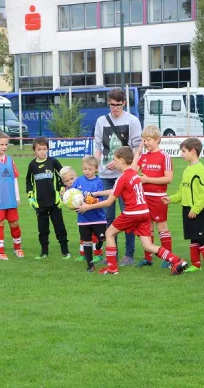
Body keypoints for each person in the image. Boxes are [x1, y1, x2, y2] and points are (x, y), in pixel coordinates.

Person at [78, 147, 188, 275]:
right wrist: (96, 193)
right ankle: (176, 261)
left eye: (115, 159)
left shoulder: (122, 178)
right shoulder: (135, 174)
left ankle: (112, 268)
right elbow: (116, 191)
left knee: (109, 233)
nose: (113, 162)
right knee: (147, 245)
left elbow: (109, 202)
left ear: (122, 160)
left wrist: (88, 207)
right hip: (144, 213)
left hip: (131, 213)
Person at [93, 88, 142, 266]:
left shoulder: (132, 121)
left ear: (124, 103)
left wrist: (129, 167)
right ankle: (111, 252)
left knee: (127, 215)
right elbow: (98, 145)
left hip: (125, 175)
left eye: (118, 105)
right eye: (111, 105)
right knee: (108, 217)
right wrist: (95, 164)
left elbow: (138, 148)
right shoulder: (101, 121)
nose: (114, 108)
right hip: (106, 175)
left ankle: (129, 255)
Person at [162, 138, 204, 274]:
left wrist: (196, 209)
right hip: (187, 209)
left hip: (197, 210)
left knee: (202, 238)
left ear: (193, 152)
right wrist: (171, 199)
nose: (181, 154)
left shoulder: (201, 170)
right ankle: (196, 265)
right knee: (193, 238)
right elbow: (182, 190)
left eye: (184, 151)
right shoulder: (187, 169)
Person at [132, 125, 174, 268]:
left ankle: (169, 259)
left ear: (157, 140)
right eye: (144, 140)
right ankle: (148, 258)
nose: (145, 143)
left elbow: (168, 179)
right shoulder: (143, 156)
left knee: (162, 227)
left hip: (158, 198)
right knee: (146, 228)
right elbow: (131, 172)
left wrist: (148, 179)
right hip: (143, 198)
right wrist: (137, 153)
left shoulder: (164, 157)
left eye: (148, 140)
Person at [26, 137, 70, 260]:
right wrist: (30, 197)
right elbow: (29, 182)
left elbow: (63, 177)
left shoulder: (53, 162)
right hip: (40, 203)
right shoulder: (32, 165)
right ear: (34, 150)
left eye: (44, 149)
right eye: (39, 149)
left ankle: (65, 252)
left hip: (55, 203)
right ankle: (44, 252)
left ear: (48, 149)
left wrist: (62, 192)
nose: (42, 151)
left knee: (60, 227)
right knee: (43, 229)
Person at [0, 131, 24, 260]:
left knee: (14, 224)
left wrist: (17, 197)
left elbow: (14, 179)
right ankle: (0, 252)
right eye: (1, 144)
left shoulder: (10, 160)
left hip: (11, 199)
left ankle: (18, 248)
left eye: (6, 144)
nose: (4, 147)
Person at [70, 156, 106, 271]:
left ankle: (100, 244)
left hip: (98, 218)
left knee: (102, 237)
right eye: (85, 169)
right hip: (83, 218)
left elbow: (102, 200)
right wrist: (70, 203)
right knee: (86, 241)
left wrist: (90, 203)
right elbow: (72, 195)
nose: (87, 171)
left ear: (96, 169)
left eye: (90, 169)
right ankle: (90, 265)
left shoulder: (99, 182)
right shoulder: (78, 181)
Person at [60, 165, 102, 263]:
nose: (70, 182)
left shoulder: (82, 184)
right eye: (67, 181)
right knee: (84, 235)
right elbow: (71, 205)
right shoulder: (69, 192)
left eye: (72, 178)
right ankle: (83, 254)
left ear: (76, 177)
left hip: (94, 215)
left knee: (94, 235)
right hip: (83, 217)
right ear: (64, 182)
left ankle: (98, 254)